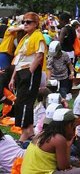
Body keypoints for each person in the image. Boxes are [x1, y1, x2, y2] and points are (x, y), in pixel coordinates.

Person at [8, 12, 47, 142]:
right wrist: (13, 77)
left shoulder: (38, 36)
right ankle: (29, 130)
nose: (25, 24)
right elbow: (19, 59)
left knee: (25, 102)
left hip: (29, 71)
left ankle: (25, 133)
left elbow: (39, 56)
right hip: (20, 71)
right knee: (20, 101)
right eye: (24, 22)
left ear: (36, 24)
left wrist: (29, 72)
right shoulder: (25, 38)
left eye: (28, 22)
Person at [21, 108, 80, 174]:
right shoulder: (58, 139)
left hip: (28, 171)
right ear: (69, 125)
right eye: (73, 126)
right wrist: (68, 146)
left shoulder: (43, 133)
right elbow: (64, 167)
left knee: (75, 163)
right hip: (41, 172)